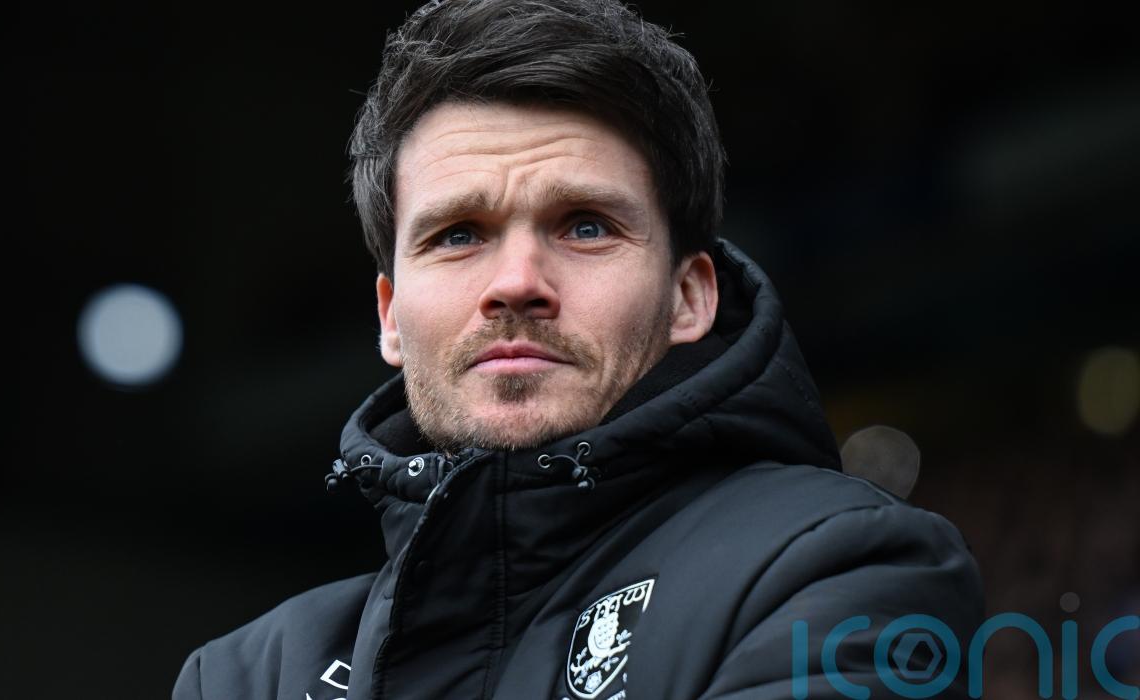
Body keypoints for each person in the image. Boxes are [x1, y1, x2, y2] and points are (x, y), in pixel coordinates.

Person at [174, 1, 983, 698]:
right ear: (389, 316)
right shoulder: (248, 675)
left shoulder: (844, 566)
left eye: (586, 226)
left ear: (690, 296)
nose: (516, 282)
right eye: (458, 235)